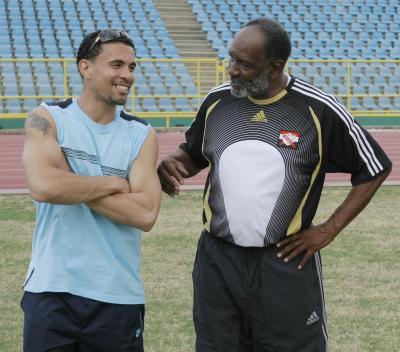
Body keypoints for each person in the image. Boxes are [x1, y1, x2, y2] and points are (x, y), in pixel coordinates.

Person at [157, 18, 392, 352]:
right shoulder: (217, 102)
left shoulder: (318, 109)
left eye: (245, 64)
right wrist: (174, 162)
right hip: (217, 261)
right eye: (231, 59)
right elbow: (194, 154)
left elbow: (375, 167)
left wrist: (328, 230)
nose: (233, 70)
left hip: (283, 262)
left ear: (276, 66)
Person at [21, 29, 161, 351]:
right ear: (86, 68)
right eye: (116, 65)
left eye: (132, 67)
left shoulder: (141, 135)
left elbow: (145, 213)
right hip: (51, 291)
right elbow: (44, 186)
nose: (127, 75)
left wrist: (71, 178)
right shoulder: (48, 119)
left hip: (117, 295)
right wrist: (112, 183)